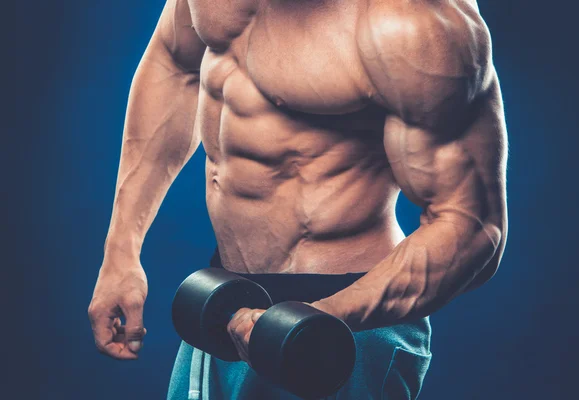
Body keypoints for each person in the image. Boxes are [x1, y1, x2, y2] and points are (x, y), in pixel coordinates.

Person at [88, 0, 508, 398]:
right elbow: (174, 66)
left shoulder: (416, 23)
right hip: (224, 301)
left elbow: (472, 228)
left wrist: (323, 318)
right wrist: (120, 253)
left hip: (344, 324)